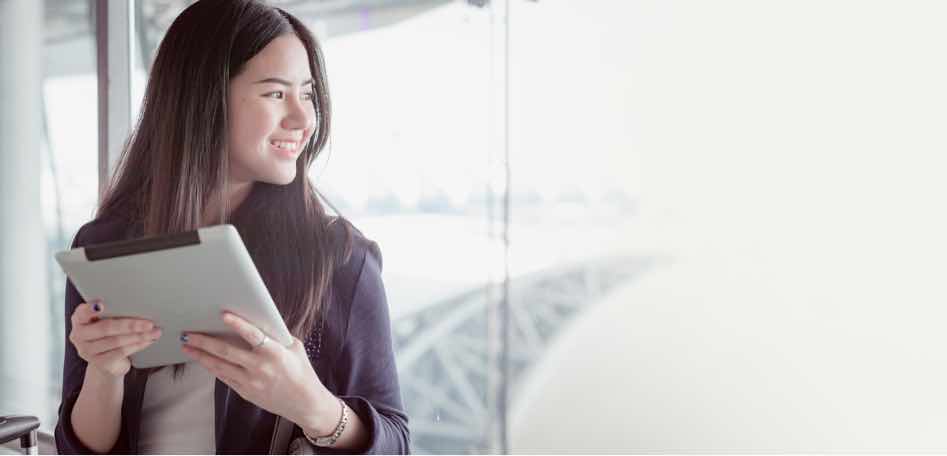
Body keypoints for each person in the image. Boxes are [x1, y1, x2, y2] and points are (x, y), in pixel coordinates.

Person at [53, 0, 410, 453]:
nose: (303, 120)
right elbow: (77, 448)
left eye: (307, 93)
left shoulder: (340, 259)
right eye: (276, 94)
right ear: (203, 101)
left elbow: (396, 444)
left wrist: (313, 406)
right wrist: (104, 370)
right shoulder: (106, 248)